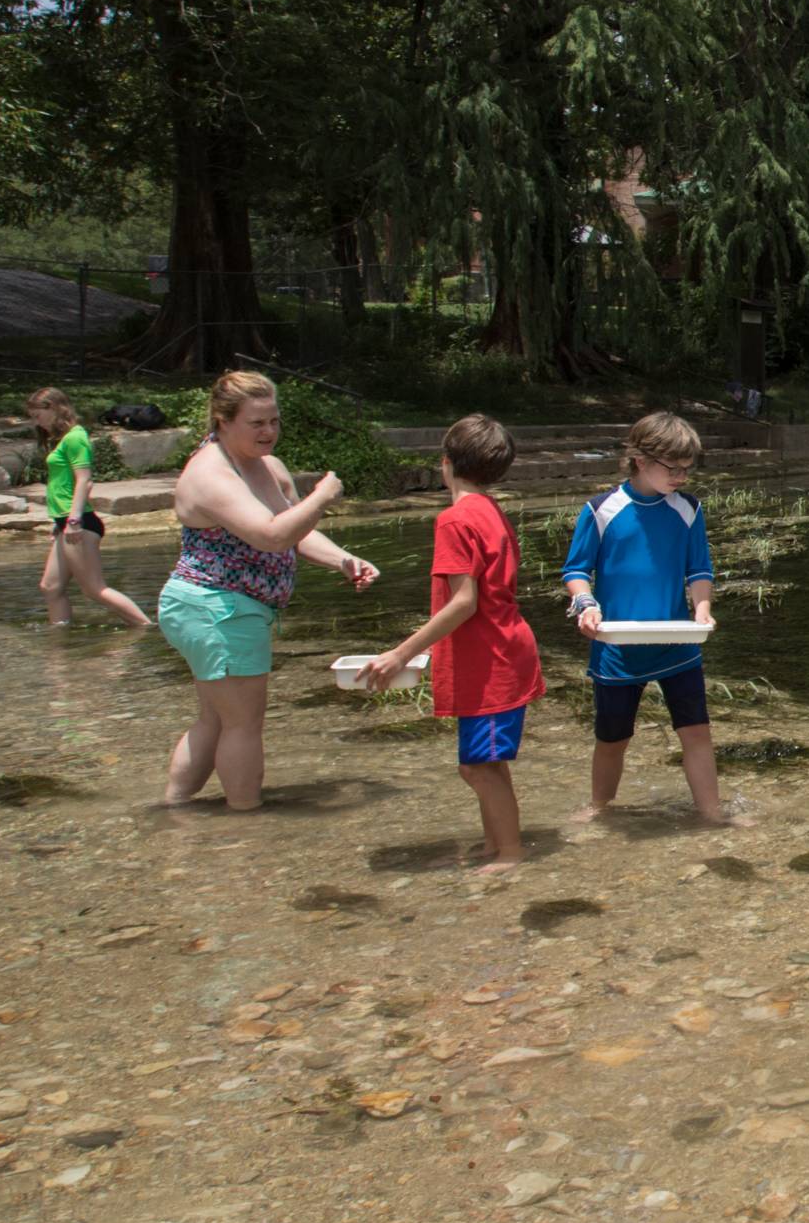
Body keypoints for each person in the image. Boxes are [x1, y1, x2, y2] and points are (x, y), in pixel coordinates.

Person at [158, 369, 377, 810]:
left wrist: (342, 560)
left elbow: (295, 530)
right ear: (223, 420)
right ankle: (245, 820)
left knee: (216, 720)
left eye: (274, 421)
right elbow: (272, 536)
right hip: (217, 610)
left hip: (218, 609)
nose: (269, 432)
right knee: (243, 725)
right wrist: (322, 497)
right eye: (256, 423)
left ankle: (174, 809)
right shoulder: (210, 474)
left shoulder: (266, 468)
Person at [364, 416, 542, 872]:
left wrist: (402, 653)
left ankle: (510, 852)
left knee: (478, 768)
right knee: (487, 763)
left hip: (491, 661)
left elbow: (464, 602)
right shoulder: (491, 511)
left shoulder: (454, 519)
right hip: (504, 650)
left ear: (445, 463)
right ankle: (494, 843)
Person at [559, 411, 726, 826]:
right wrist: (586, 605)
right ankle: (599, 809)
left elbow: (699, 570)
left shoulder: (688, 509)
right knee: (613, 738)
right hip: (617, 648)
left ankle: (713, 814)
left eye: (688, 469)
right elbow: (576, 571)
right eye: (673, 468)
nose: (682, 477)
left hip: (677, 643)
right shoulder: (601, 510)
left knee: (696, 733)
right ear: (639, 459)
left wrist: (702, 609)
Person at [27, 388, 150, 630]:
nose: (35, 422)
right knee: (50, 587)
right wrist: (61, 524)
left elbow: (84, 479)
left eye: (37, 415)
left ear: (53, 407)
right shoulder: (63, 439)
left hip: (79, 521)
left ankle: (147, 627)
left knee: (94, 589)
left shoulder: (75, 437)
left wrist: (73, 521)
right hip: (66, 521)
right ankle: (61, 638)